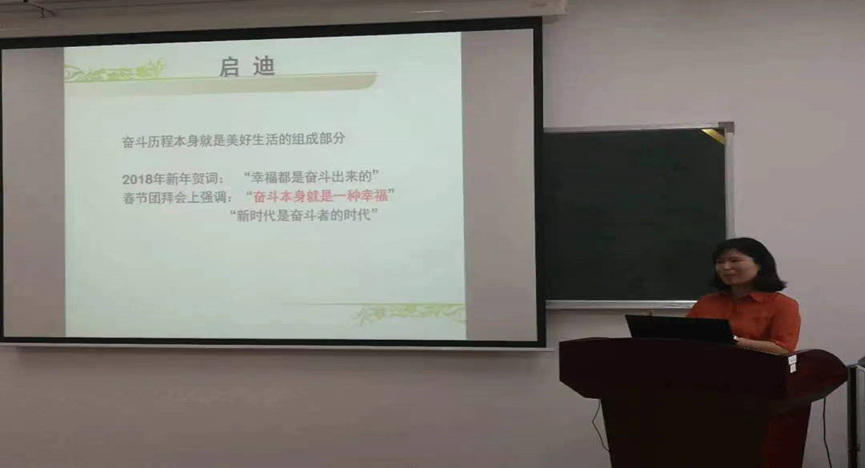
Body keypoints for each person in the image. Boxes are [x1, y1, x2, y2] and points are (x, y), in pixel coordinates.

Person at [687, 237, 800, 355]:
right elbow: (685, 338)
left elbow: (783, 348)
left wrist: (733, 340)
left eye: (734, 260)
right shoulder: (706, 302)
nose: (726, 267)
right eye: (720, 262)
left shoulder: (782, 304)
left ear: (759, 264)